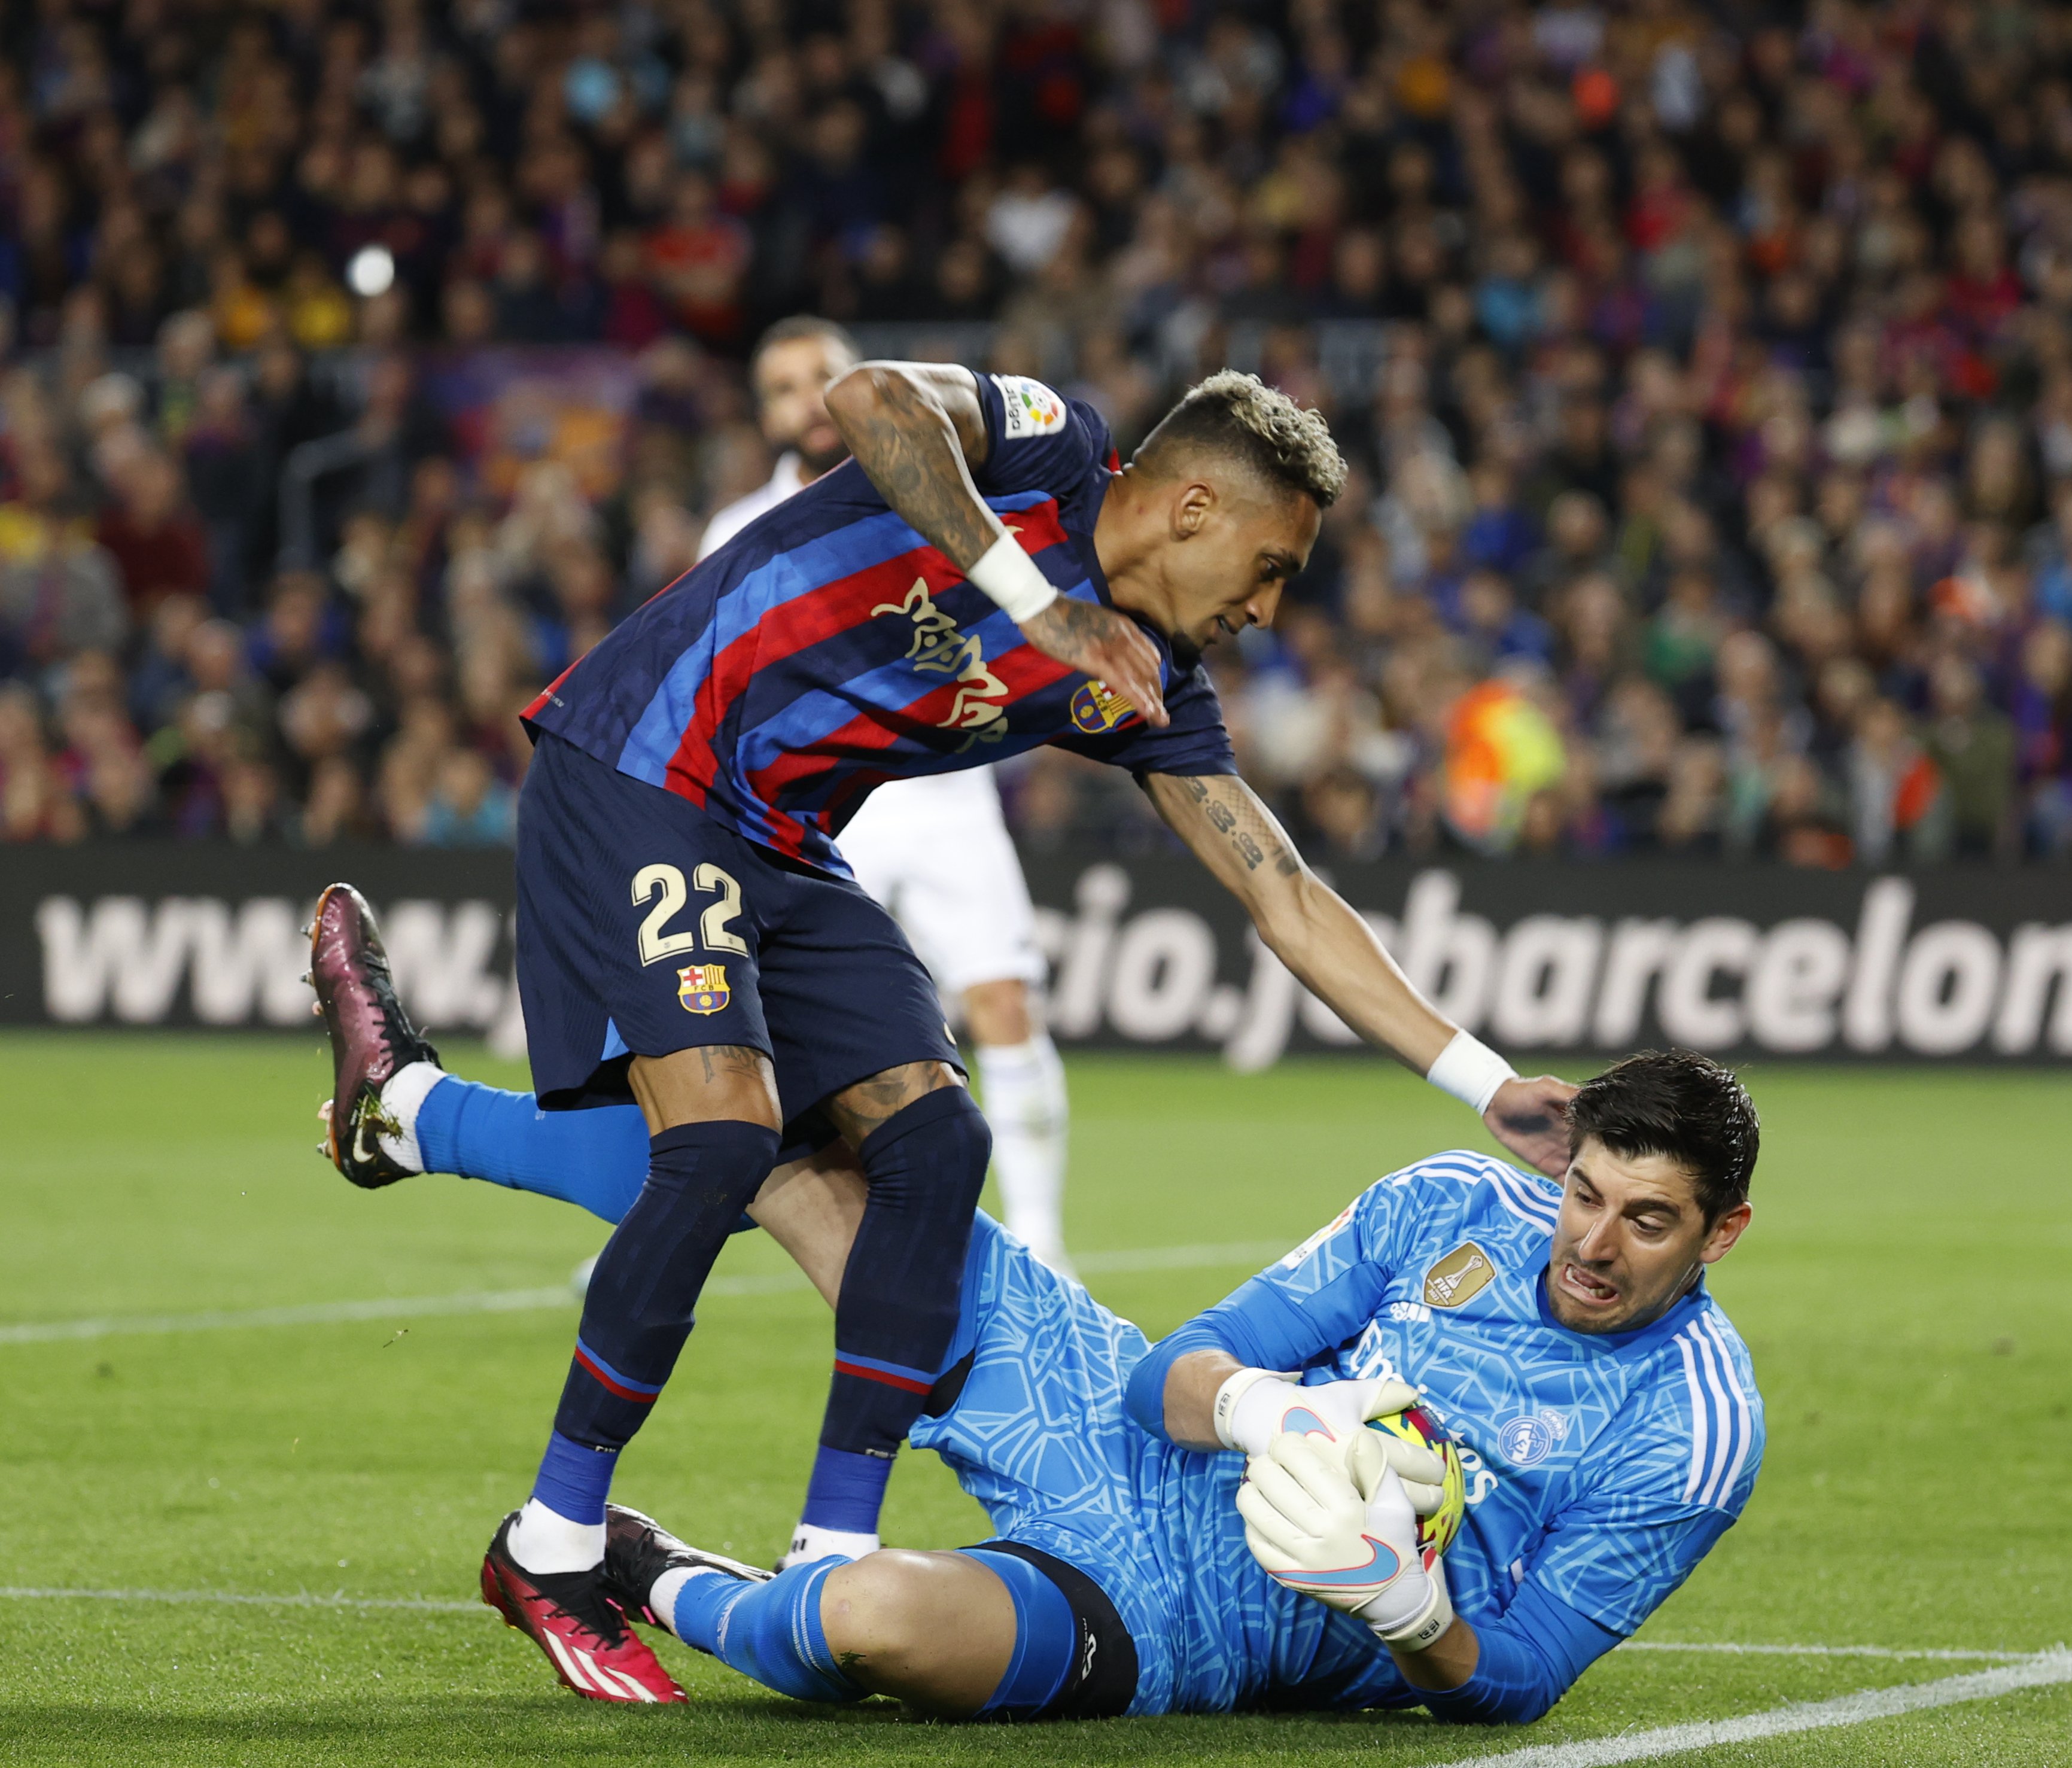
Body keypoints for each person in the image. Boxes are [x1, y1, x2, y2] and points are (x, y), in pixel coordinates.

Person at [305, 363, 1577, 1704]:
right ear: (1191, 505)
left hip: (780, 841)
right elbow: (870, 402)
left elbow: (1282, 889)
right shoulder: (1049, 449)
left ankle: (828, 1548)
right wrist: (1050, 610)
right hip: (647, 763)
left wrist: (1483, 1081)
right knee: (727, 1138)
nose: (1265, 609)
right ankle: (552, 1543)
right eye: (1266, 567)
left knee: (931, 1136)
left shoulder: (1147, 681)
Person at [330, 1038, 1761, 1721]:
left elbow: (1522, 1678)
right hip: (1101, 1416)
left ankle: (647, 1570)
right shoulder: (1442, 1204)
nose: (1590, 1242)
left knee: (855, 1617)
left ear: (1720, 1233)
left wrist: (1409, 1608)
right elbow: (1171, 1376)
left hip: (1188, 1620)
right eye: (1584, 1194)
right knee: (796, 1146)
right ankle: (408, 1111)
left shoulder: (1695, 1430)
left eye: (1645, 1222)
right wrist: (1268, 1409)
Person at [702, 318, 1073, 1274]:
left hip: (942, 795)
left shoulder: (936, 491)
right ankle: (674, 1220)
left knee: (1001, 1006)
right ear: (766, 411)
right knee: (734, 1035)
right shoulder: (734, 530)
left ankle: (1042, 1245)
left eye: (823, 376)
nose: (808, 399)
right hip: (815, 807)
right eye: (784, 386)